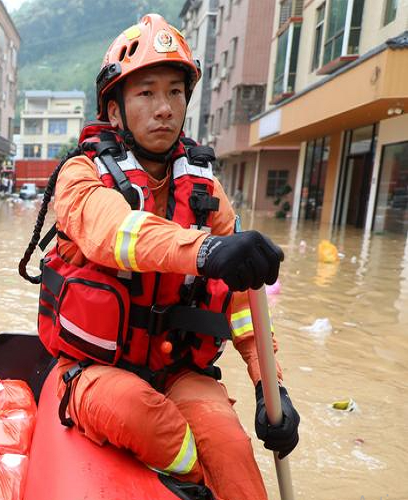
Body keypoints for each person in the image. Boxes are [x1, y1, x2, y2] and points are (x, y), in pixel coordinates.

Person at [19, 15, 300, 500]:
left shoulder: (206, 191)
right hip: (94, 373)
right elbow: (114, 234)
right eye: (146, 93)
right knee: (149, 419)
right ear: (114, 109)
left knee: (232, 449)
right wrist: (206, 249)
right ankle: (189, 483)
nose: (164, 109)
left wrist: (270, 387)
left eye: (174, 92)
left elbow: (242, 306)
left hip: (180, 372)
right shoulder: (80, 176)